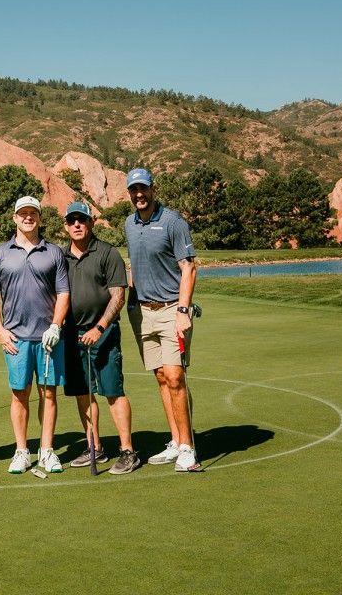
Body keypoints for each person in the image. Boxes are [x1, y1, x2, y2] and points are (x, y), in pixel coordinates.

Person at [0, 196, 70, 474]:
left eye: (33, 213)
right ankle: (21, 451)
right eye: (23, 213)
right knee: (19, 394)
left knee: (49, 394)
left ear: (40, 218)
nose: (28, 217)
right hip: (16, 338)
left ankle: (46, 451)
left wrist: (56, 326)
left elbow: (63, 293)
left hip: (48, 339)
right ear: (14, 218)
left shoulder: (54, 253)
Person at [123, 168, 202, 472]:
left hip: (172, 310)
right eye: (134, 190)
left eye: (143, 189)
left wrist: (183, 310)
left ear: (153, 189)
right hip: (143, 312)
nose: (139, 194)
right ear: (129, 193)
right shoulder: (129, 224)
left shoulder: (172, 221)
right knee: (160, 377)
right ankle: (175, 439)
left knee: (175, 376)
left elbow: (189, 268)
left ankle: (187, 447)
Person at [61, 201, 140, 475]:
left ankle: (128, 450)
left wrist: (100, 327)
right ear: (66, 225)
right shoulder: (62, 258)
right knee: (83, 393)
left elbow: (118, 295)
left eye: (81, 219)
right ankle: (94, 447)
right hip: (73, 336)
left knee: (112, 391)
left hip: (103, 335)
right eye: (71, 220)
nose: (77, 225)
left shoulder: (107, 253)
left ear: (91, 222)